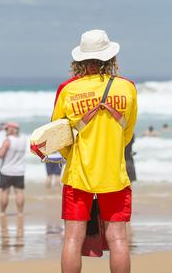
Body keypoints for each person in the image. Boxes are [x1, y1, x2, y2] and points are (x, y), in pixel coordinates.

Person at [50, 29, 137, 273]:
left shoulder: (68, 90)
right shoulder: (127, 89)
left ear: (80, 59)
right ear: (110, 58)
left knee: (72, 239)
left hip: (79, 175)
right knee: (118, 239)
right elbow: (127, 134)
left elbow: (58, 135)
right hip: (114, 174)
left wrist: (75, 156)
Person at [0, 122, 27, 215]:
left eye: (7, 129)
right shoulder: (23, 139)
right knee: (19, 192)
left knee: (5, 192)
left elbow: (0, 154)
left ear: (12, 129)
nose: (6, 131)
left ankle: (2, 212)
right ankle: (20, 212)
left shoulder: (8, 140)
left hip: (7, 170)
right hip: (19, 171)